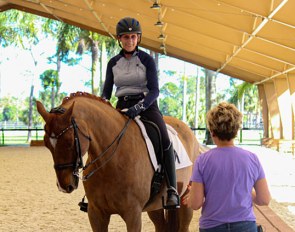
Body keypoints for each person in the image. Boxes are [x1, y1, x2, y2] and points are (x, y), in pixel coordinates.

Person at [101, 17, 179, 209]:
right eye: (126, 37)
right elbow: (106, 92)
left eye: (133, 37)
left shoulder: (147, 60)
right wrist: (102, 106)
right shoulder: (113, 63)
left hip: (147, 106)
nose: (130, 41)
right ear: (119, 39)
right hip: (121, 106)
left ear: (138, 38)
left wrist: (139, 107)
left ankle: (172, 190)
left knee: (164, 137)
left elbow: (155, 90)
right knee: (100, 139)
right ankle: (95, 189)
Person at [187, 102, 271, 232]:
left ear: (212, 131)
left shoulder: (202, 161)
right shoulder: (252, 158)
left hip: (212, 227)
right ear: (236, 130)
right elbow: (264, 199)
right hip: (246, 226)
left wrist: (192, 196)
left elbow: (195, 204)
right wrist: (246, 192)